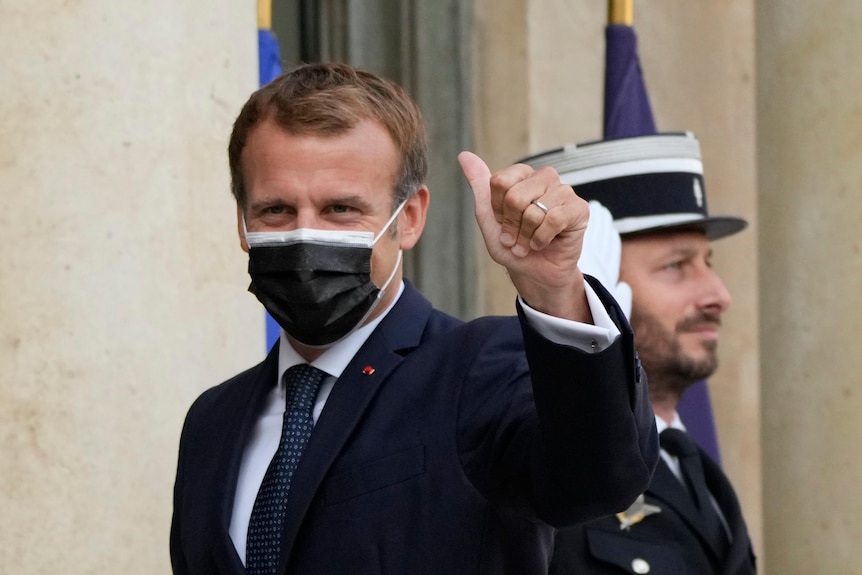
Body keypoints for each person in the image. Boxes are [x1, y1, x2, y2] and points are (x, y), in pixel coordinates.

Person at [169, 62, 658, 575]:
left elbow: (598, 478)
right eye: (276, 210)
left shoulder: (480, 370)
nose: (305, 235)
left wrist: (554, 290)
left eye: (340, 209)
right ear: (243, 224)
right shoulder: (212, 421)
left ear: (409, 218)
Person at [521, 132, 757, 574]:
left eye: (709, 263)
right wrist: (579, 318)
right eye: (675, 267)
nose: (718, 295)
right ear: (595, 280)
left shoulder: (698, 472)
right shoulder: (535, 463)